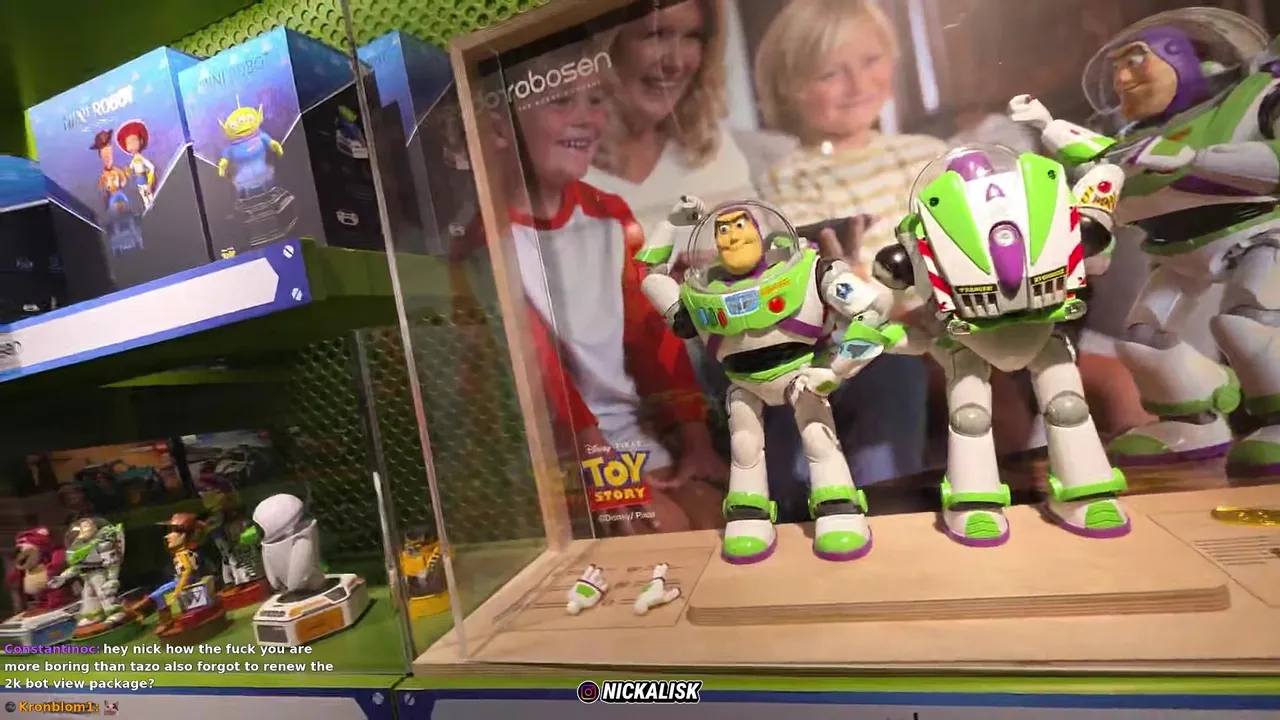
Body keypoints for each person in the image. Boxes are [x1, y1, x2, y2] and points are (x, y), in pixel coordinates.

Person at [453, 45, 726, 535]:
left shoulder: (610, 215)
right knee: (665, 529)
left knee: (715, 517)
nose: (586, 118)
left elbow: (651, 337)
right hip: (562, 456)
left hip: (631, 437)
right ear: (498, 129)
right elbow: (537, 371)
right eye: (561, 101)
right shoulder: (485, 243)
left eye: (595, 100)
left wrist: (695, 439)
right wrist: (596, 459)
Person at [750, 0, 940, 509]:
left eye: (870, 60)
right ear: (789, 89)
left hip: (937, 325)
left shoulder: (924, 154)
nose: (857, 84)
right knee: (884, 370)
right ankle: (872, 504)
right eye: (831, 73)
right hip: (862, 341)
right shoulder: (788, 178)